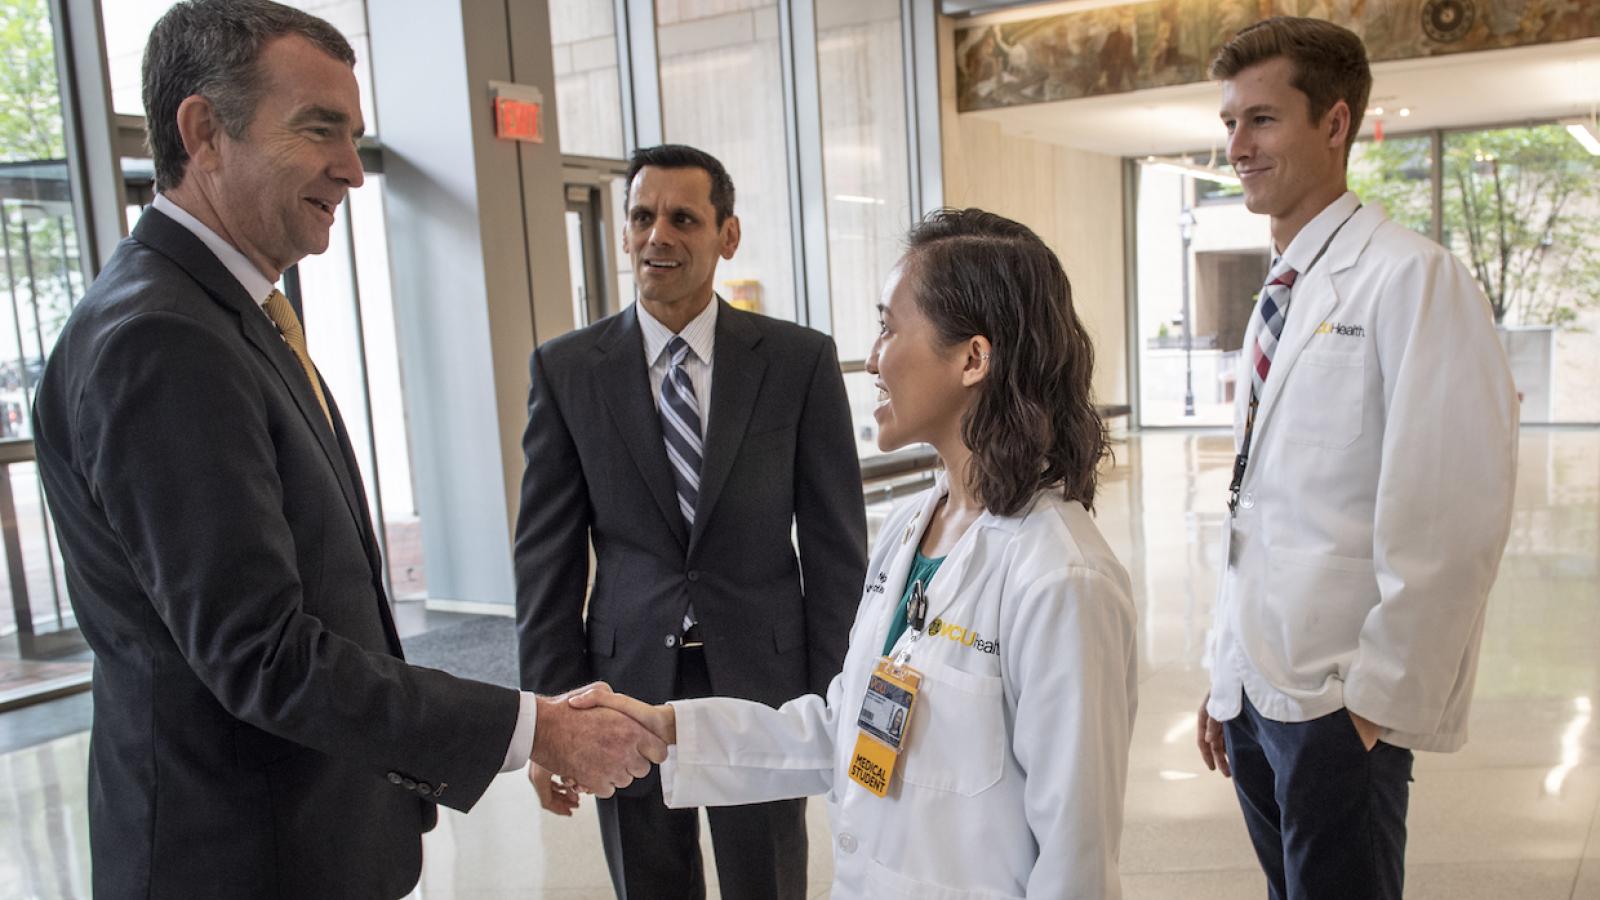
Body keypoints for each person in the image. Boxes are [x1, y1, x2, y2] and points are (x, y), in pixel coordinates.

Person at [31, 3, 663, 897]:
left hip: (298, 839)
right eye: (318, 130)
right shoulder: (161, 339)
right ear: (204, 132)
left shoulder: (221, 313)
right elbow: (262, 653)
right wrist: (537, 727)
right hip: (241, 858)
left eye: (355, 135)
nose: (350, 171)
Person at [570, 208, 1139, 899]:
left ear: (972, 358)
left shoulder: (1060, 578)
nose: (872, 357)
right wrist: (669, 729)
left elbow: (1076, 860)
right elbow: (846, 729)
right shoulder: (909, 530)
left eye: (889, 327)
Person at [1193, 16, 1519, 900]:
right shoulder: (1285, 289)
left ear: (1334, 124)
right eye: (1230, 123)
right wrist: (1223, 672)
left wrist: (1375, 705)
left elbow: (1453, 510)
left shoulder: (1411, 279)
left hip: (1340, 697)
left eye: (1262, 120)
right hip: (1258, 688)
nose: (1237, 145)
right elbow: (1257, 498)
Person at [512, 143, 867, 899]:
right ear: (624, 232)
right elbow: (546, 560)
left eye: (682, 218)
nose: (657, 236)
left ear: (726, 235)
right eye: (642, 217)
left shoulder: (798, 363)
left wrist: (842, 699)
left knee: (764, 881)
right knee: (650, 882)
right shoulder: (567, 370)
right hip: (625, 675)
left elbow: (837, 548)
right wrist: (552, 721)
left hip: (764, 679)